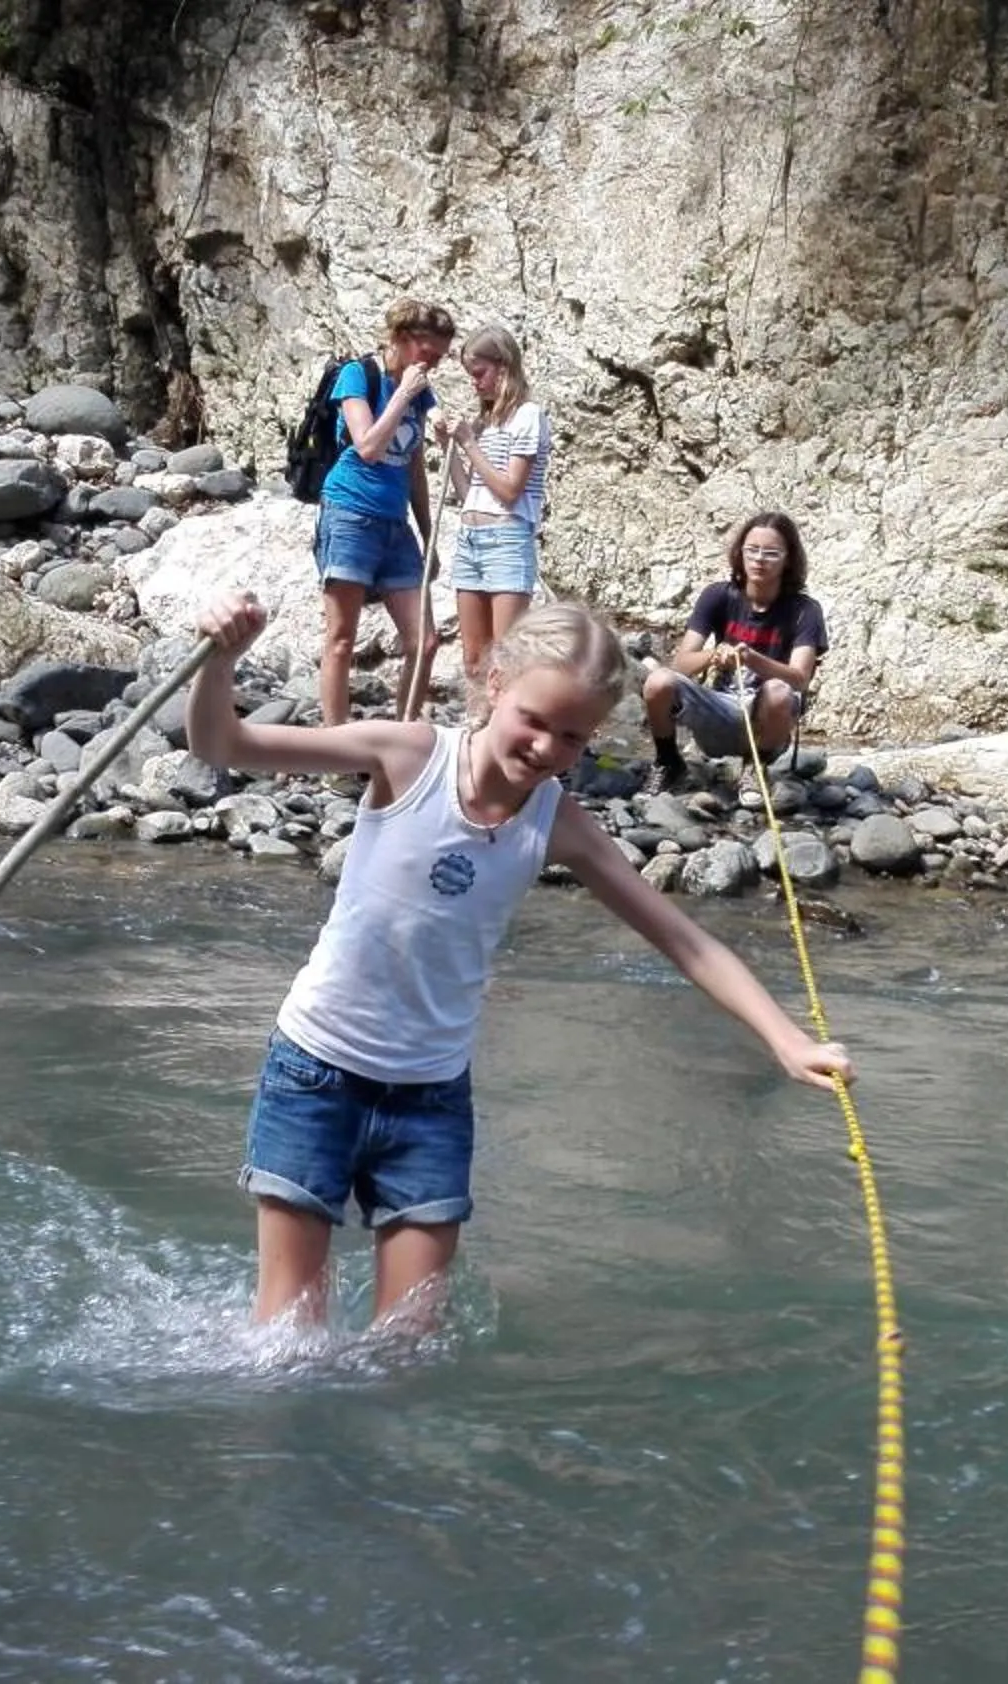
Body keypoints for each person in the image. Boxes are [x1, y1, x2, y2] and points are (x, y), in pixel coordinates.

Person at [186, 587, 853, 1332]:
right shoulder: (407, 754)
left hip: (430, 1101)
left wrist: (787, 1039)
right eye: (534, 721)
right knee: (289, 1336)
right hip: (316, 1072)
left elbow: (686, 940)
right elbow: (225, 746)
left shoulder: (557, 823)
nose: (546, 750)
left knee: (409, 1345)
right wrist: (221, 662)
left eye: (573, 738)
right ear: (493, 683)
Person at [316, 297, 456, 728]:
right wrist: (402, 395)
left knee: (425, 641)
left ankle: (403, 733)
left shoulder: (420, 390)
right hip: (350, 513)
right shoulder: (357, 376)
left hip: (396, 525)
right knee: (342, 639)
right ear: (399, 338)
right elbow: (369, 447)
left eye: (438, 356)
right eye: (425, 352)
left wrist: (428, 533)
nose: (430, 363)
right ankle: (334, 747)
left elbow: (413, 466)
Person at [639, 512, 829, 795]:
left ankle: (755, 769)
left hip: (768, 718)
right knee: (658, 681)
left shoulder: (805, 611)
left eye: (771, 553)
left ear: (788, 559)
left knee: (779, 691)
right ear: (740, 554)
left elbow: (800, 679)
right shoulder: (718, 596)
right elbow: (681, 664)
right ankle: (668, 762)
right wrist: (715, 655)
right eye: (752, 550)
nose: (759, 559)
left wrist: (753, 659)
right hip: (721, 707)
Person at [433, 324, 552, 692]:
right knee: (473, 658)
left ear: (503, 367)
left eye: (479, 373)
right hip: (471, 540)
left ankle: (508, 733)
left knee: (506, 656)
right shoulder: (487, 422)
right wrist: (449, 449)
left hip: (507, 539)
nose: (475, 383)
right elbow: (472, 492)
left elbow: (510, 490)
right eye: (471, 375)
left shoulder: (528, 415)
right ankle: (479, 730)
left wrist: (469, 444)